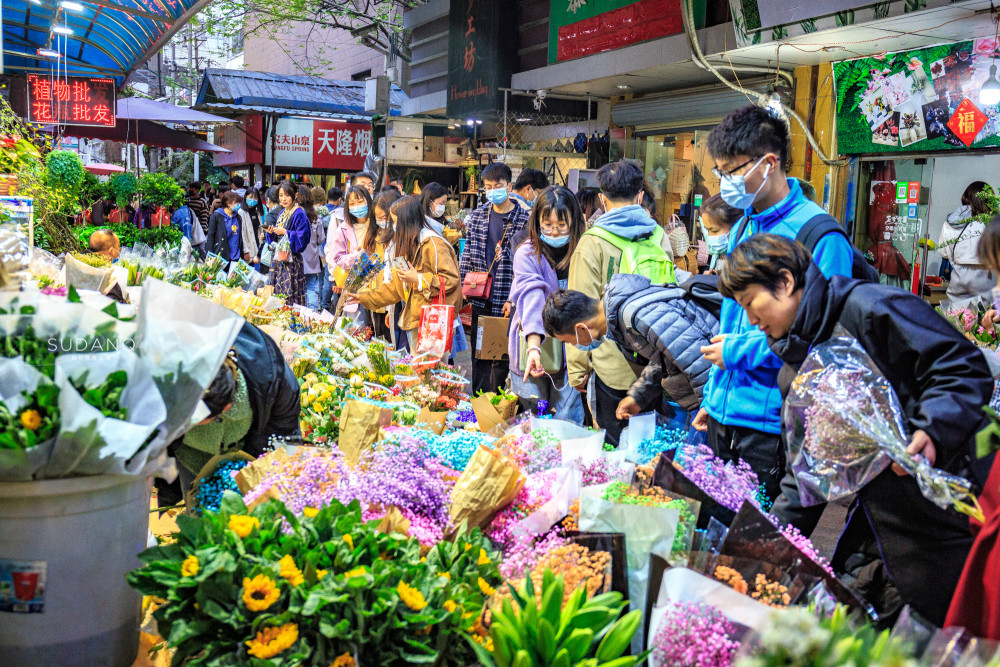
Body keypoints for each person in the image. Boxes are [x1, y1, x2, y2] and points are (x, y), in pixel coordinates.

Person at [719, 233, 991, 625]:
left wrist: (930, 430)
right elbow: (807, 477)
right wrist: (760, 545)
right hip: (881, 524)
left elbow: (961, 367)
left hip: (951, 512)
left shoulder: (869, 308)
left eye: (749, 303)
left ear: (785, 282)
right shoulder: (793, 369)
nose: (750, 320)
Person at [693, 105, 854, 502]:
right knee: (709, 532)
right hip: (722, 413)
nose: (725, 182)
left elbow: (818, 339)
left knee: (753, 545)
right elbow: (733, 317)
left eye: (732, 171)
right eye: (720, 172)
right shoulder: (744, 225)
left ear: (769, 163)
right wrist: (713, 398)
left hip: (770, 424)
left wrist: (737, 352)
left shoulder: (820, 236)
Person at [566, 158, 675, 449]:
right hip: (655, 369)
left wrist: (577, 370)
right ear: (640, 196)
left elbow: (579, 312)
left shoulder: (592, 242)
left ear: (602, 198)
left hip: (610, 367)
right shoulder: (658, 236)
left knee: (614, 452)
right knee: (648, 451)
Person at [156, 320, 301, 507]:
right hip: (191, 455)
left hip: (249, 451)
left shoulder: (272, 377)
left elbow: (283, 439)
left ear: (227, 407)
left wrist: (262, 477)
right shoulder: (167, 371)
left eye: (194, 422)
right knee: (199, 511)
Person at [543, 273, 718, 417]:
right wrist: (638, 396)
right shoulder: (618, 321)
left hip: (718, 394)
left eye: (567, 341)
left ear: (581, 328)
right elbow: (664, 358)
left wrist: (710, 408)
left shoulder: (637, 315)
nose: (572, 346)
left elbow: (699, 359)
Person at [508, 186, 585, 423]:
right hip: (531, 351)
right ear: (537, 222)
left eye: (561, 225)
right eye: (547, 225)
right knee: (532, 419)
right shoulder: (527, 253)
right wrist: (533, 347)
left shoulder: (584, 251)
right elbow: (532, 297)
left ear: (574, 222)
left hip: (573, 349)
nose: (553, 232)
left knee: (567, 418)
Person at [349, 196, 462, 352]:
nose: (392, 227)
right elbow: (394, 287)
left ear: (407, 222)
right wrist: (363, 297)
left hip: (434, 321)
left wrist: (419, 279)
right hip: (416, 319)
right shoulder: (402, 245)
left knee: (430, 372)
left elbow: (450, 279)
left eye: (395, 222)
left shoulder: (433, 243)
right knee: (420, 370)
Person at [459, 162, 532, 394]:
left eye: (497, 185)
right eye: (488, 186)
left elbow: (528, 263)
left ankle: (499, 402)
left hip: (507, 300)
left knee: (502, 355)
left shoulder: (524, 219)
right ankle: (479, 401)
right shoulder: (479, 216)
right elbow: (467, 252)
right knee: (479, 351)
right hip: (481, 296)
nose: (492, 190)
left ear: (509, 186)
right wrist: (464, 286)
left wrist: (515, 298)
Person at [938, 181, 993, 307]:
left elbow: (944, 253)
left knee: (958, 320)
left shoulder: (951, 222)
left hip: (958, 282)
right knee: (985, 323)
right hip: (987, 282)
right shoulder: (992, 222)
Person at [362, 190, 404, 345]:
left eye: (385, 218)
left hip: (395, 300)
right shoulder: (375, 236)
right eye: (377, 217)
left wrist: (391, 308)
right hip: (378, 297)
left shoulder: (401, 239)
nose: (381, 221)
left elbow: (400, 274)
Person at [326, 185, 374, 315]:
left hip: (376, 288)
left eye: (360, 202)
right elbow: (338, 258)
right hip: (355, 288)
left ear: (368, 201)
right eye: (352, 203)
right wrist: (357, 256)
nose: (357, 206)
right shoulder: (343, 228)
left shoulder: (376, 226)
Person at [265, 180, 311, 306]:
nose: (283, 199)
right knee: (277, 294)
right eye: (280, 196)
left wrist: (285, 232)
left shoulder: (299, 213)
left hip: (291, 262)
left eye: (287, 195)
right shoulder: (282, 212)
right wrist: (271, 232)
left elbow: (303, 239)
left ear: (295, 195)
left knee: (289, 295)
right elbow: (275, 240)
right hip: (279, 259)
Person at [298, 185, 327, 311]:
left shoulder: (294, 215)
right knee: (311, 288)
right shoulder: (315, 217)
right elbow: (321, 239)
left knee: (297, 289)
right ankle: (312, 314)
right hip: (312, 260)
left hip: (296, 259)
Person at [700, 193, 743, 275]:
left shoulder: (746, 260)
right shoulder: (718, 255)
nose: (709, 236)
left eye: (714, 231)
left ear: (736, 227)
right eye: (707, 230)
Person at [205, 191, 248, 269]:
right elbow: (210, 237)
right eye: (236, 203)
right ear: (228, 203)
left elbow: (241, 236)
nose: (238, 205)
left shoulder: (238, 217)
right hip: (221, 256)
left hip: (236, 256)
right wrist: (210, 257)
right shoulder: (217, 216)